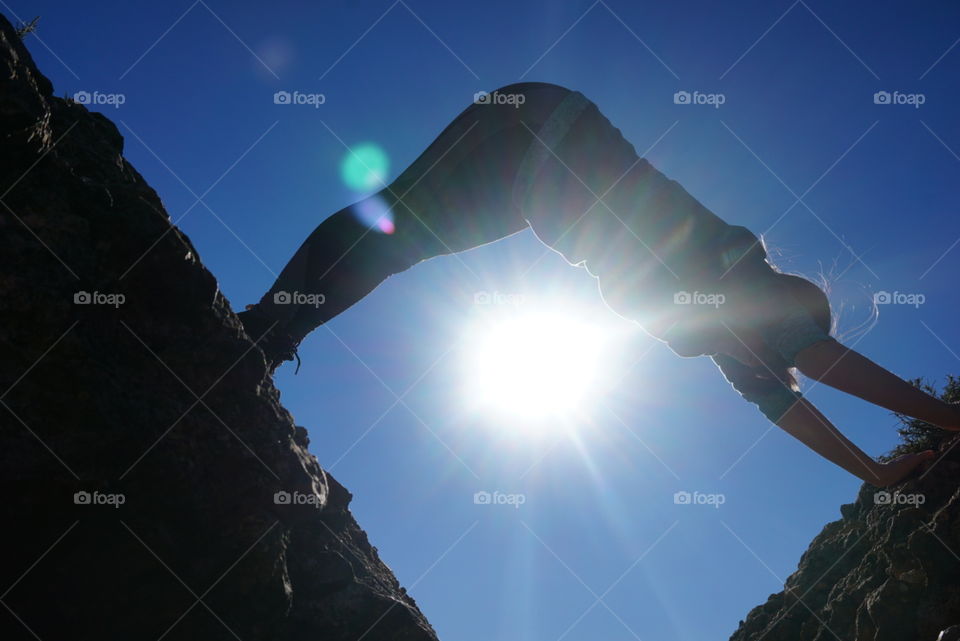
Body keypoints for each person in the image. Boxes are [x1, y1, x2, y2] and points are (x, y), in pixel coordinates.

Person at [238, 82, 957, 488]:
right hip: (541, 130)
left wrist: (874, 470)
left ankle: (271, 330)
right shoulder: (734, 267)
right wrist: (948, 419)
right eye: (790, 345)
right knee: (394, 225)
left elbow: (787, 406)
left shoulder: (728, 348)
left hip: (529, 185)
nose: (781, 366)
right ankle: (268, 327)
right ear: (784, 310)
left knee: (398, 239)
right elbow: (816, 365)